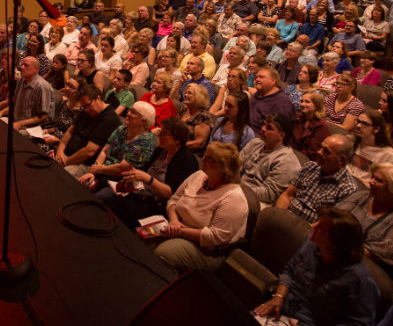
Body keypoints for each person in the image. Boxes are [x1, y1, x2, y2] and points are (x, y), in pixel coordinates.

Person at [254, 207, 380, 326]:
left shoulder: (359, 279)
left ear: (335, 242)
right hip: (281, 311)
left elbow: (358, 323)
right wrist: (278, 297)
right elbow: (290, 270)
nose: (313, 226)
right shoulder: (311, 244)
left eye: (321, 228)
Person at [153, 142, 248, 274]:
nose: (203, 159)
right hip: (178, 228)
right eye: (205, 156)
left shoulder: (234, 198)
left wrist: (180, 231)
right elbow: (174, 200)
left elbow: (215, 237)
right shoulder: (199, 175)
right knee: (141, 238)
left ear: (224, 168)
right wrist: (174, 221)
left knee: (163, 253)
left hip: (206, 250)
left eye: (209, 159)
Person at [106, 117, 199, 227]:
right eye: (160, 132)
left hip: (158, 205)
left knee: (118, 214)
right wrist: (131, 179)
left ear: (177, 140)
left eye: (164, 133)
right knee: (107, 205)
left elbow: (171, 194)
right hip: (140, 194)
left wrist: (148, 179)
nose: (159, 136)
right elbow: (143, 171)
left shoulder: (186, 160)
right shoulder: (161, 150)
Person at [337, 163, 393, 285]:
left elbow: (372, 254)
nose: (371, 182)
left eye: (378, 180)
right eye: (373, 177)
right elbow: (332, 217)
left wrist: (333, 244)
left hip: (374, 276)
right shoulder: (362, 196)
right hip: (340, 256)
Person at [275, 134, 358, 222]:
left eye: (326, 151)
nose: (319, 152)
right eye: (321, 147)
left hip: (308, 227)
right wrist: (277, 217)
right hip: (286, 216)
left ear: (341, 160)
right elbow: (288, 195)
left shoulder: (348, 189)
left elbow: (328, 224)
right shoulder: (310, 167)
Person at [77, 101, 155, 186]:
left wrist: (99, 169)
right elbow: (105, 151)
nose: (128, 113)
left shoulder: (145, 142)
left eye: (133, 112)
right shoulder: (122, 129)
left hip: (119, 182)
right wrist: (93, 173)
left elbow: (122, 168)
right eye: (129, 110)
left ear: (143, 121)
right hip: (100, 171)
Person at [55, 84, 121, 174]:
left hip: (83, 163)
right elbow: (70, 131)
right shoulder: (87, 110)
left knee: (58, 174)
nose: (86, 109)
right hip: (67, 156)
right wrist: (60, 151)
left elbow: (89, 151)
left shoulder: (109, 119)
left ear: (98, 98)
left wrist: (66, 161)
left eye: (88, 105)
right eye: (83, 107)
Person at [240, 114, 301, 205]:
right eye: (264, 125)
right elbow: (236, 166)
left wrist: (239, 190)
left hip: (258, 201)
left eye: (269, 128)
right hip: (238, 189)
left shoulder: (286, 160)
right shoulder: (255, 143)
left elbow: (269, 193)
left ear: (281, 135)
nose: (263, 129)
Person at [0, 56, 54, 131]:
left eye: (26, 65)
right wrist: (1, 112)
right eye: (22, 64)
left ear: (36, 70)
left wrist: (20, 124)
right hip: (16, 121)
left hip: (32, 128)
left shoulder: (42, 87)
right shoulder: (21, 81)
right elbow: (15, 105)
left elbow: (43, 116)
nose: (22, 67)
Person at [348, 109, 393, 184]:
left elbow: (387, 183)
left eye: (364, 123)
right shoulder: (351, 142)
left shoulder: (388, 154)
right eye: (358, 121)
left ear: (376, 129)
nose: (358, 126)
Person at [42, 75, 85, 148]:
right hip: (52, 137)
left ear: (80, 92)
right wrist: (48, 130)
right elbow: (58, 126)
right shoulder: (63, 103)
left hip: (65, 145)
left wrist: (57, 141)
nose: (67, 88)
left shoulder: (82, 112)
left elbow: (75, 139)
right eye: (67, 84)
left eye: (71, 87)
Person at [249, 67, 295, 131]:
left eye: (261, 77)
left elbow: (281, 130)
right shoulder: (256, 95)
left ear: (273, 81)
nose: (257, 79)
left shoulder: (282, 102)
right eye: (256, 77)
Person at [291, 90, 331, 162]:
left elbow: (313, 152)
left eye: (307, 102)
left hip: (309, 161)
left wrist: (293, 157)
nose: (302, 104)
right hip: (293, 155)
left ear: (317, 105)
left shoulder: (321, 126)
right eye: (301, 101)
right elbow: (291, 141)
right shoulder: (298, 119)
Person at [180, 83, 214, 155]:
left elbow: (199, 143)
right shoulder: (183, 110)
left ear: (199, 97)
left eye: (189, 93)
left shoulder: (203, 116)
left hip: (190, 154)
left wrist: (177, 145)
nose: (185, 95)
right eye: (185, 92)